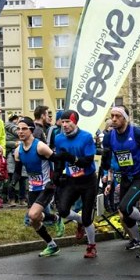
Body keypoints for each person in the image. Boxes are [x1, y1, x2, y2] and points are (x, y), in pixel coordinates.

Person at [101, 105, 140, 258]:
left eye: (117, 116)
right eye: (112, 116)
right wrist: (107, 177)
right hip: (125, 176)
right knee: (125, 215)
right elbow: (107, 157)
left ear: (125, 118)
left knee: (125, 207)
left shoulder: (137, 132)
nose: (113, 119)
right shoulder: (109, 136)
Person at [53, 110, 101, 258]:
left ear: (76, 122)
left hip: (88, 180)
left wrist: (72, 159)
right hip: (71, 180)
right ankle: (80, 221)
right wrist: (57, 174)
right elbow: (60, 159)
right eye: (63, 121)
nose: (65, 125)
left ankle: (91, 246)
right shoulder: (59, 138)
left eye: (68, 122)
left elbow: (88, 160)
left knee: (88, 218)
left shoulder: (86, 137)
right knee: (62, 210)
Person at [14, 117, 62, 257]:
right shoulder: (18, 151)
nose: (20, 132)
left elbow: (57, 161)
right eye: (18, 129)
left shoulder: (40, 146)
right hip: (33, 187)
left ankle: (55, 218)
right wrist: (12, 183)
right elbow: (17, 171)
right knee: (34, 220)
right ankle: (52, 244)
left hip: (47, 186)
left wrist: (56, 179)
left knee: (33, 215)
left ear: (31, 130)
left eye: (24, 129)